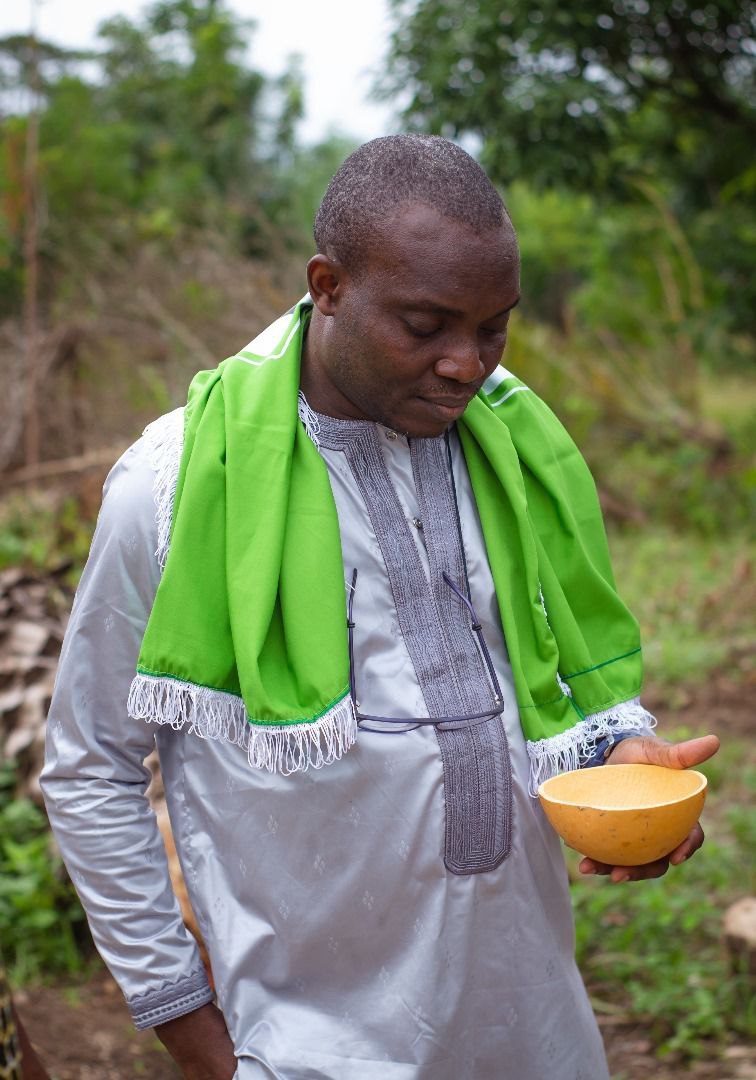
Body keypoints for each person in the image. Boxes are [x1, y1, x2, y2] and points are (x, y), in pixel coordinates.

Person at [41, 135, 718, 1080]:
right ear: (328, 287)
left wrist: (617, 765)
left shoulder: (514, 456)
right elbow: (90, 771)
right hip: (309, 1047)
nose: (467, 365)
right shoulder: (177, 488)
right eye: (426, 325)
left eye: (494, 328)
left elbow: (522, 695)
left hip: (534, 1027)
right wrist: (191, 1030)